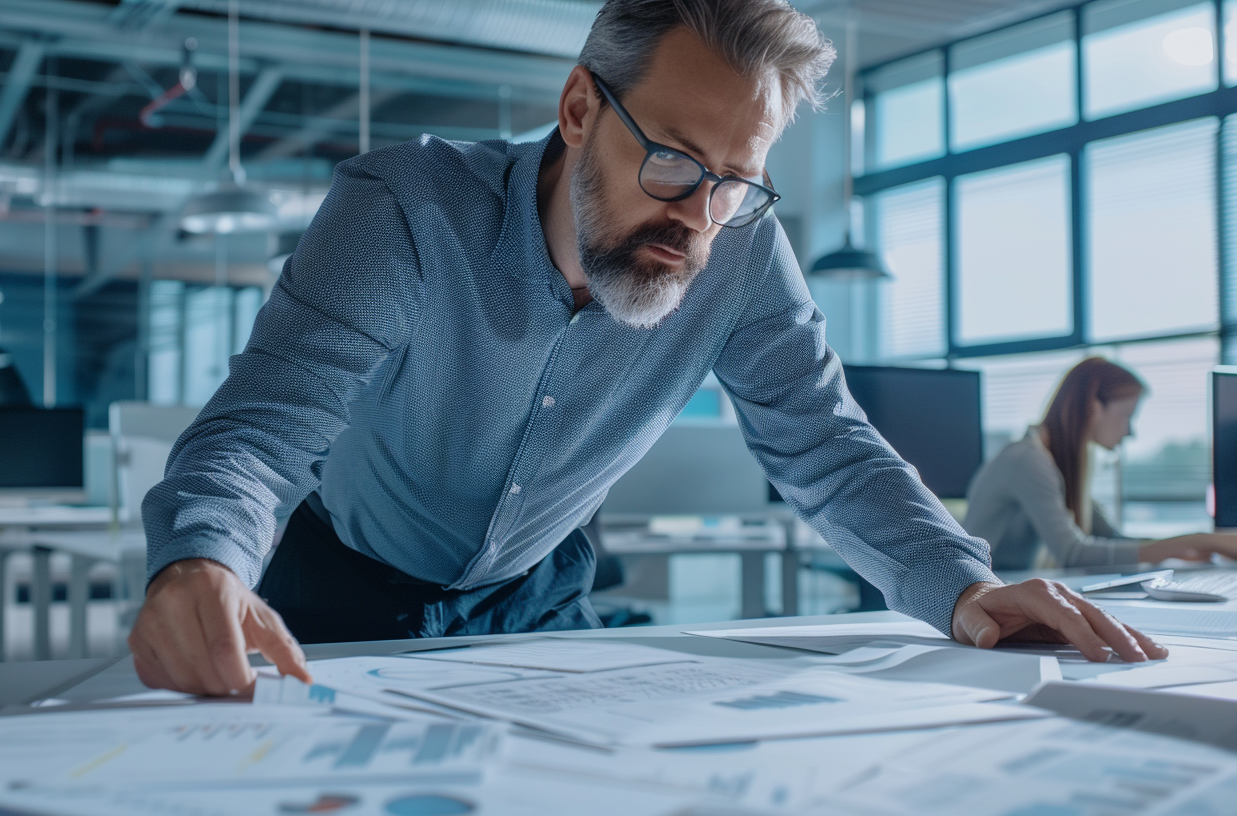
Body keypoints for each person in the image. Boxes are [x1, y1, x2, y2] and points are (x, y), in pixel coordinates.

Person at [131, 0, 1171, 697]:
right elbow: (264, 428)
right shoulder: (404, 212)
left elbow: (823, 442)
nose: (699, 217)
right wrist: (201, 557)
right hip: (336, 586)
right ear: (579, 109)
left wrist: (961, 584)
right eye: (673, 161)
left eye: (735, 178)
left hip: (537, 596)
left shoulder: (744, 248)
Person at [965, 357, 1237, 571]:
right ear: (1093, 407)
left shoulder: (1057, 463)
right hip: (987, 597)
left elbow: (1111, 538)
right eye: (1126, 415)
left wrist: (1180, 548)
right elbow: (1074, 553)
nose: (1130, 431)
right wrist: (1200, 539)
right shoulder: (1027, 460)